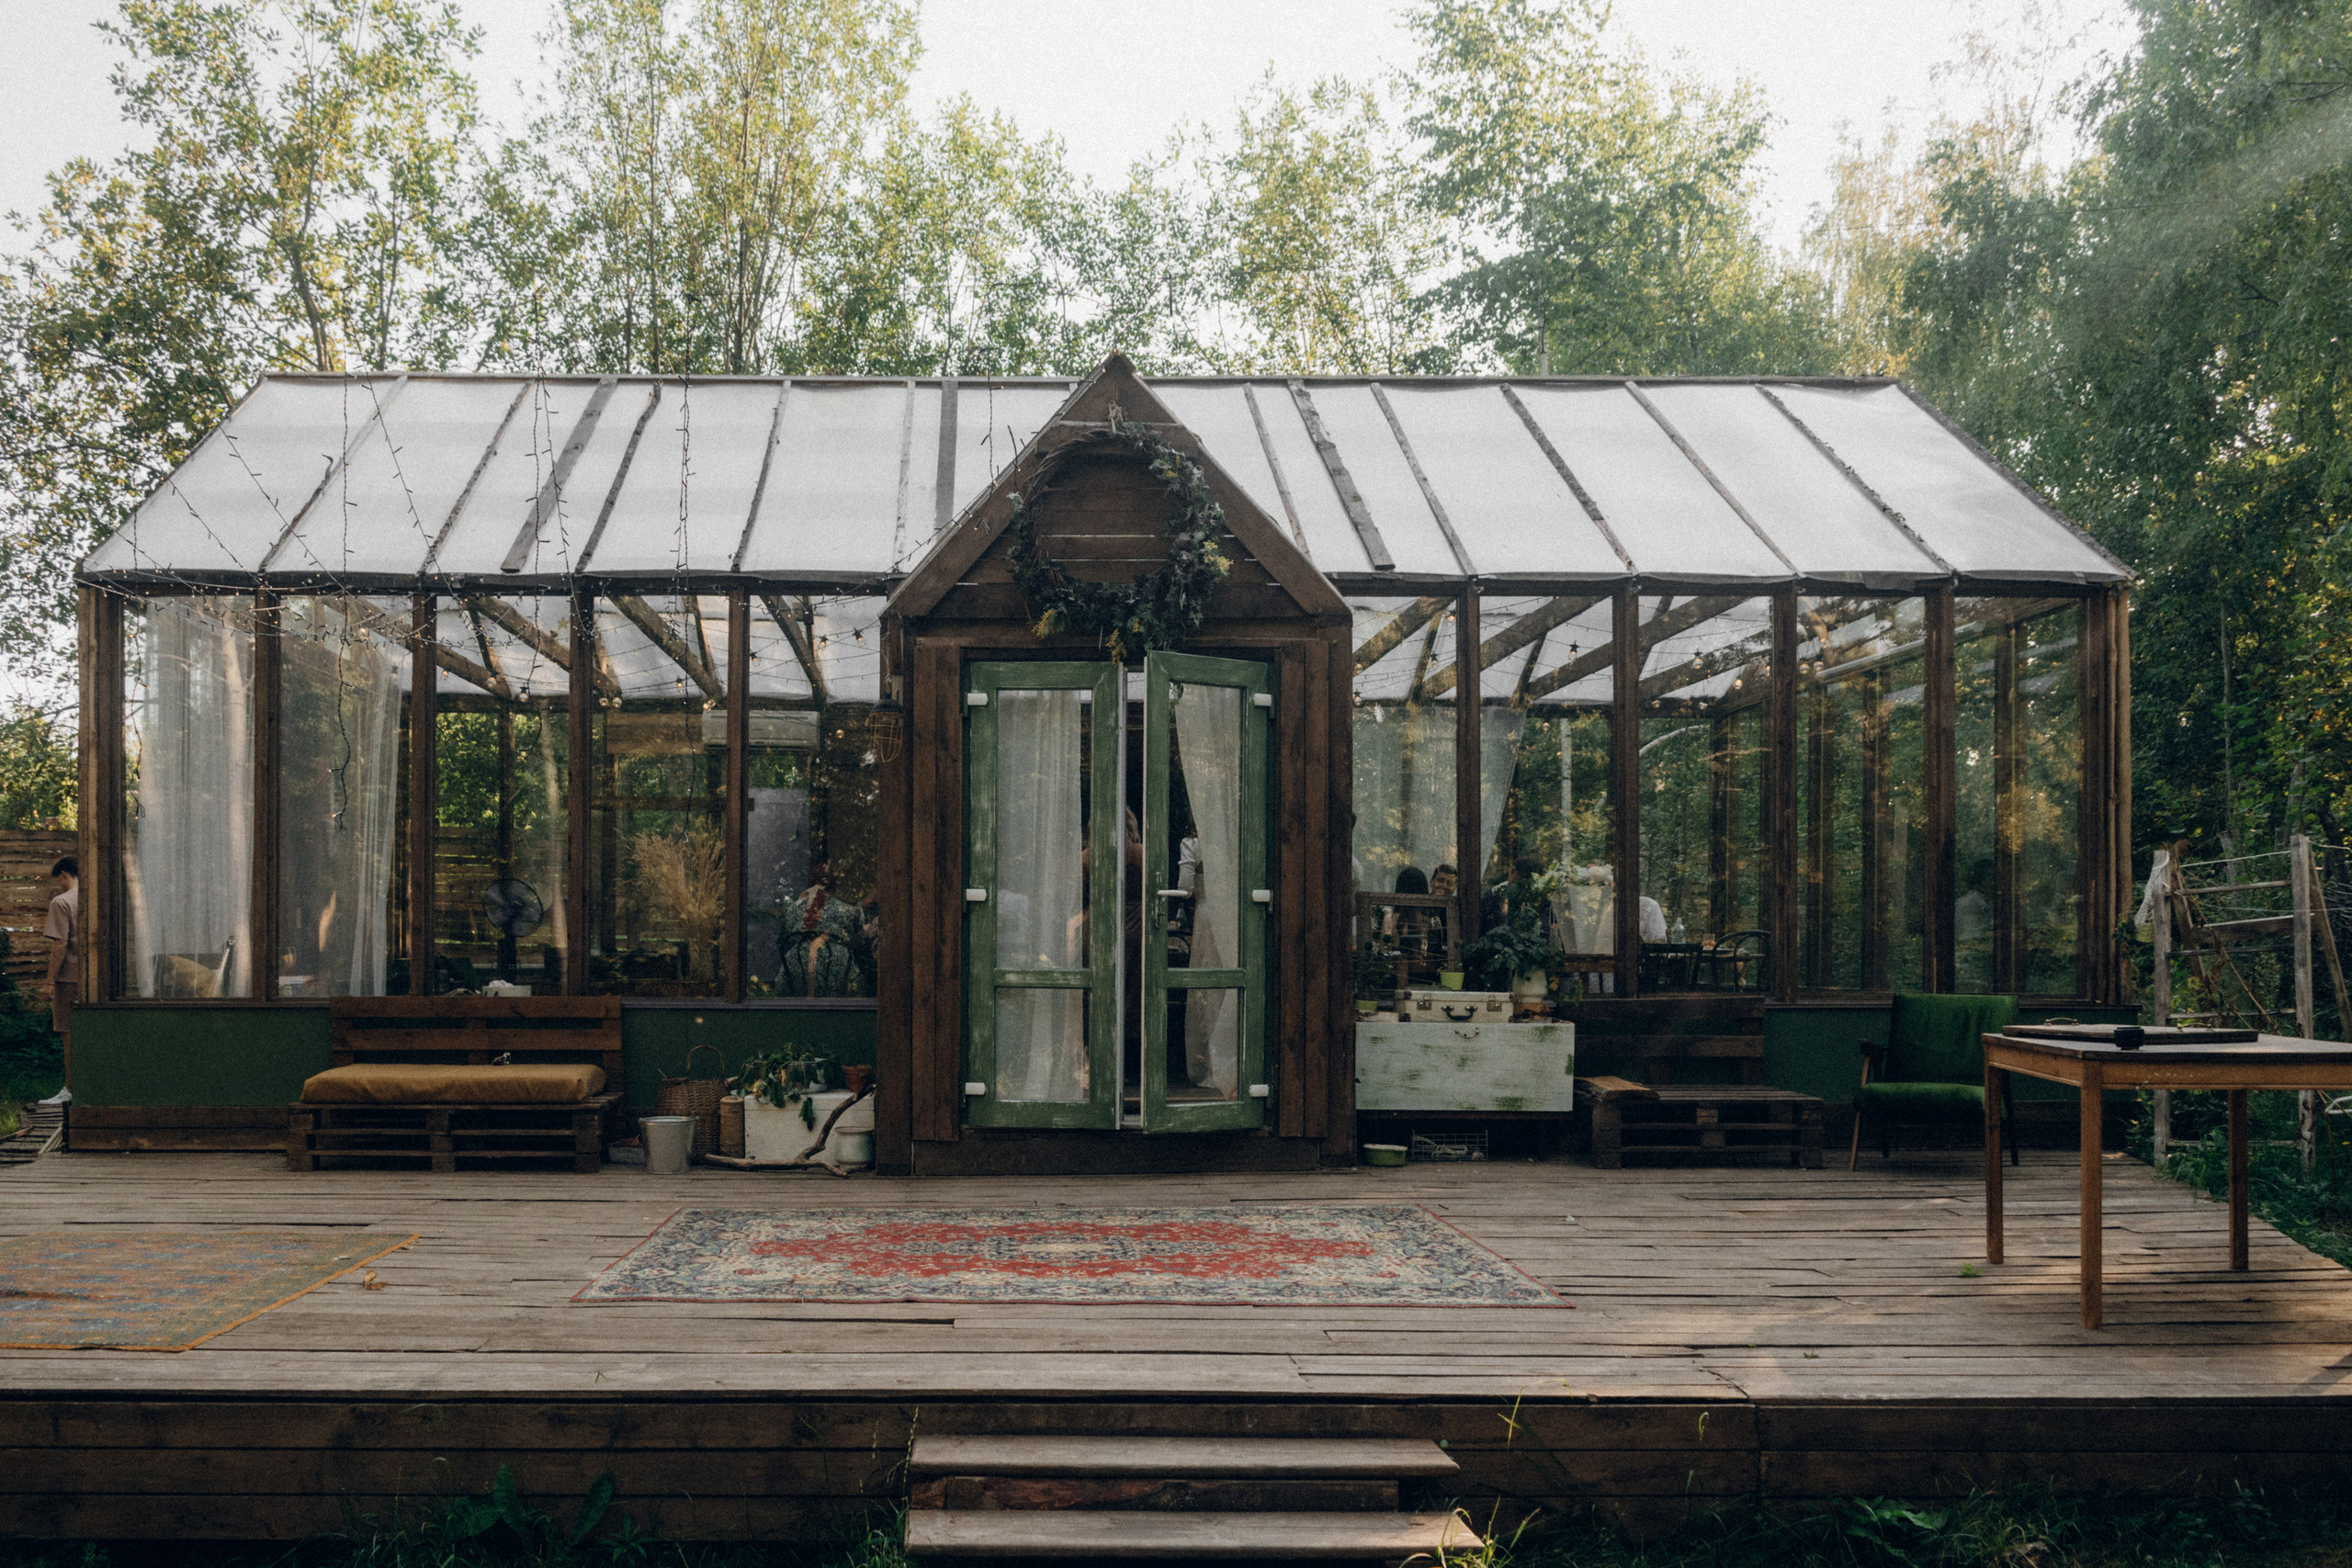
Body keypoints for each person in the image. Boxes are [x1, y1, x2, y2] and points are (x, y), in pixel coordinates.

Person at [40, 855, 77, 1106]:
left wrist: (50, 981)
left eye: (60, 880)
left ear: (64, 874)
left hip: (68, 977)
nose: (60, 885)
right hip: (94, 977)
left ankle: (70, 1089)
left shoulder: (61, 901)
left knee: (68, 1033)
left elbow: (60, 943)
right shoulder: (96, 898)